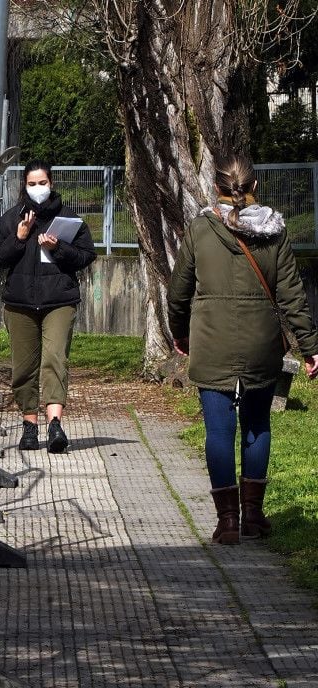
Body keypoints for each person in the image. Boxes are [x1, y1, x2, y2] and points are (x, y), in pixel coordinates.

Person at [167, 156, 318, 546]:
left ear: (216, 187)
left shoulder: (200, 229)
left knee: (219, 431)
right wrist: (310, 347)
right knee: (257, 424)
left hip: (211, 339)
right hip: (260, 342)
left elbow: (179, 291)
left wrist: (180, 334)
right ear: (255, 186)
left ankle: (227, 521)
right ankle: (253, 516)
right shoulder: (274, 231)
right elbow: (291, 295)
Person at [0, 161, 97, 453]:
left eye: (42, 183)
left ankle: (55, 425)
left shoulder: (68, 218)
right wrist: (20, 237)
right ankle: (29, 425)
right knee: (24, 366)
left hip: (59, 301)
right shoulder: (11, 218)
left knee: (55, 359)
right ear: (24, 186)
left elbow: (86, 256)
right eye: (32, 184)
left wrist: (58, 249)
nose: (38, 189)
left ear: (51, 183)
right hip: (20, 303)